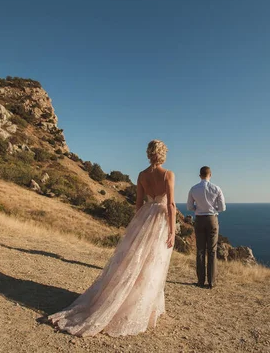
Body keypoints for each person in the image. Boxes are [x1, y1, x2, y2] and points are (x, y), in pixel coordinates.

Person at [47, 140, 176, 336]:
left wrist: (137, 226)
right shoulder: (168, 174)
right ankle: (141, 307)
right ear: (162, 154)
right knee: (152, 262)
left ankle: (133, 301)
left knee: (135, 259)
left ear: (149, 154)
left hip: (144, 218)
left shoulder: (142, 175)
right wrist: (172, 231)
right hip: (160, 220)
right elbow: (172, 205)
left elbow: (138, 204)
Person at [186, 166, 226, 289]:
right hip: (212, 219)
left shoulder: (193, 189)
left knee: (200, 251)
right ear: (210, 174)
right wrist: (214, 209)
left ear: (200, 175)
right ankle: (212, 282)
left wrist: (198, 209)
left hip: (199, 219)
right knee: (212, 251)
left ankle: (200, 281)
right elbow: (223, 208)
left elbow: (189, 207)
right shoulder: (216, 188)